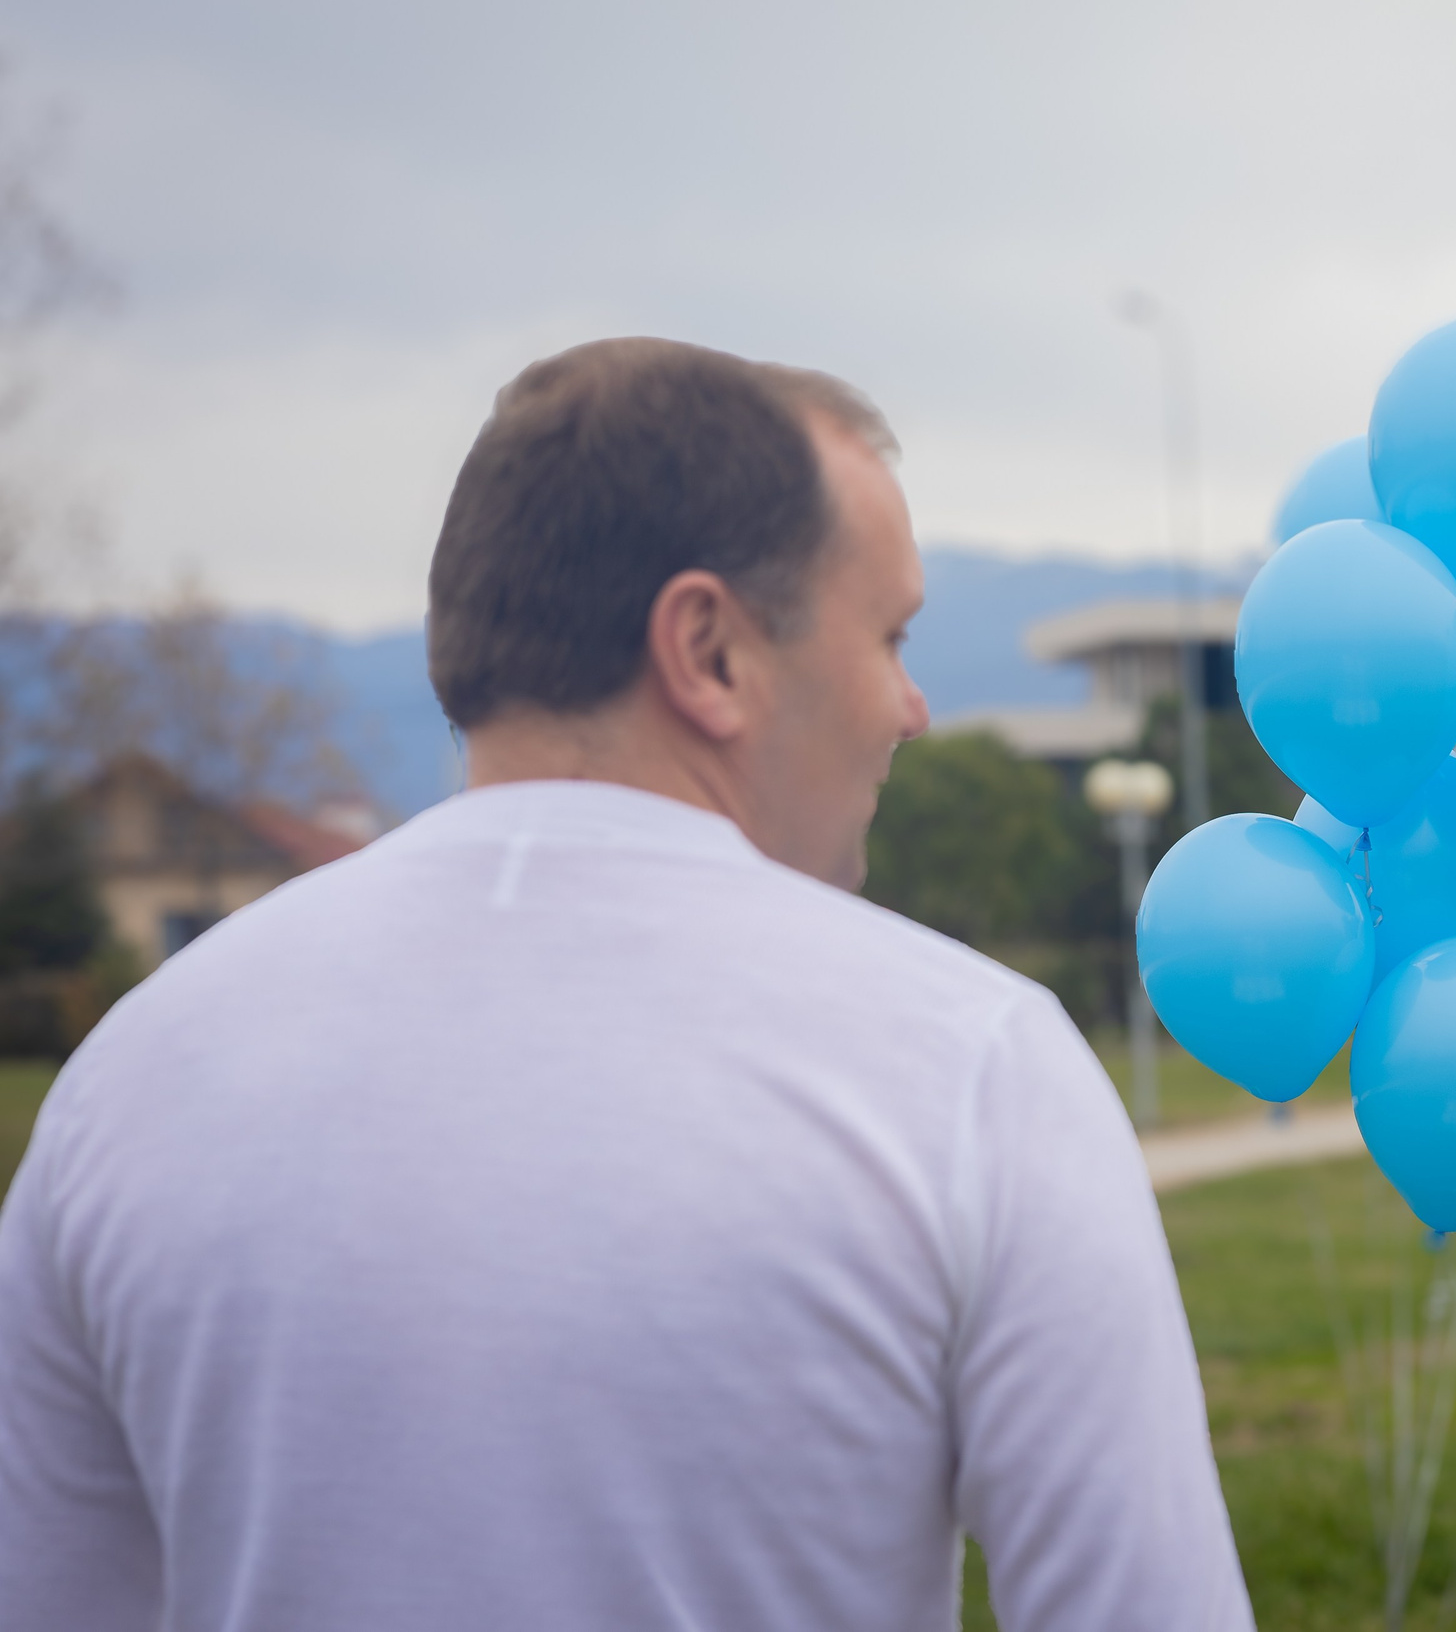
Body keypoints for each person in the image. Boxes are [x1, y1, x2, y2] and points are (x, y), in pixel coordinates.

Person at [0, 338, 1254, 1631]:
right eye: (889, 635)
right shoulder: (974, 1069)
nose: (912, 706)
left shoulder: (126, 1082)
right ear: (706, 647)